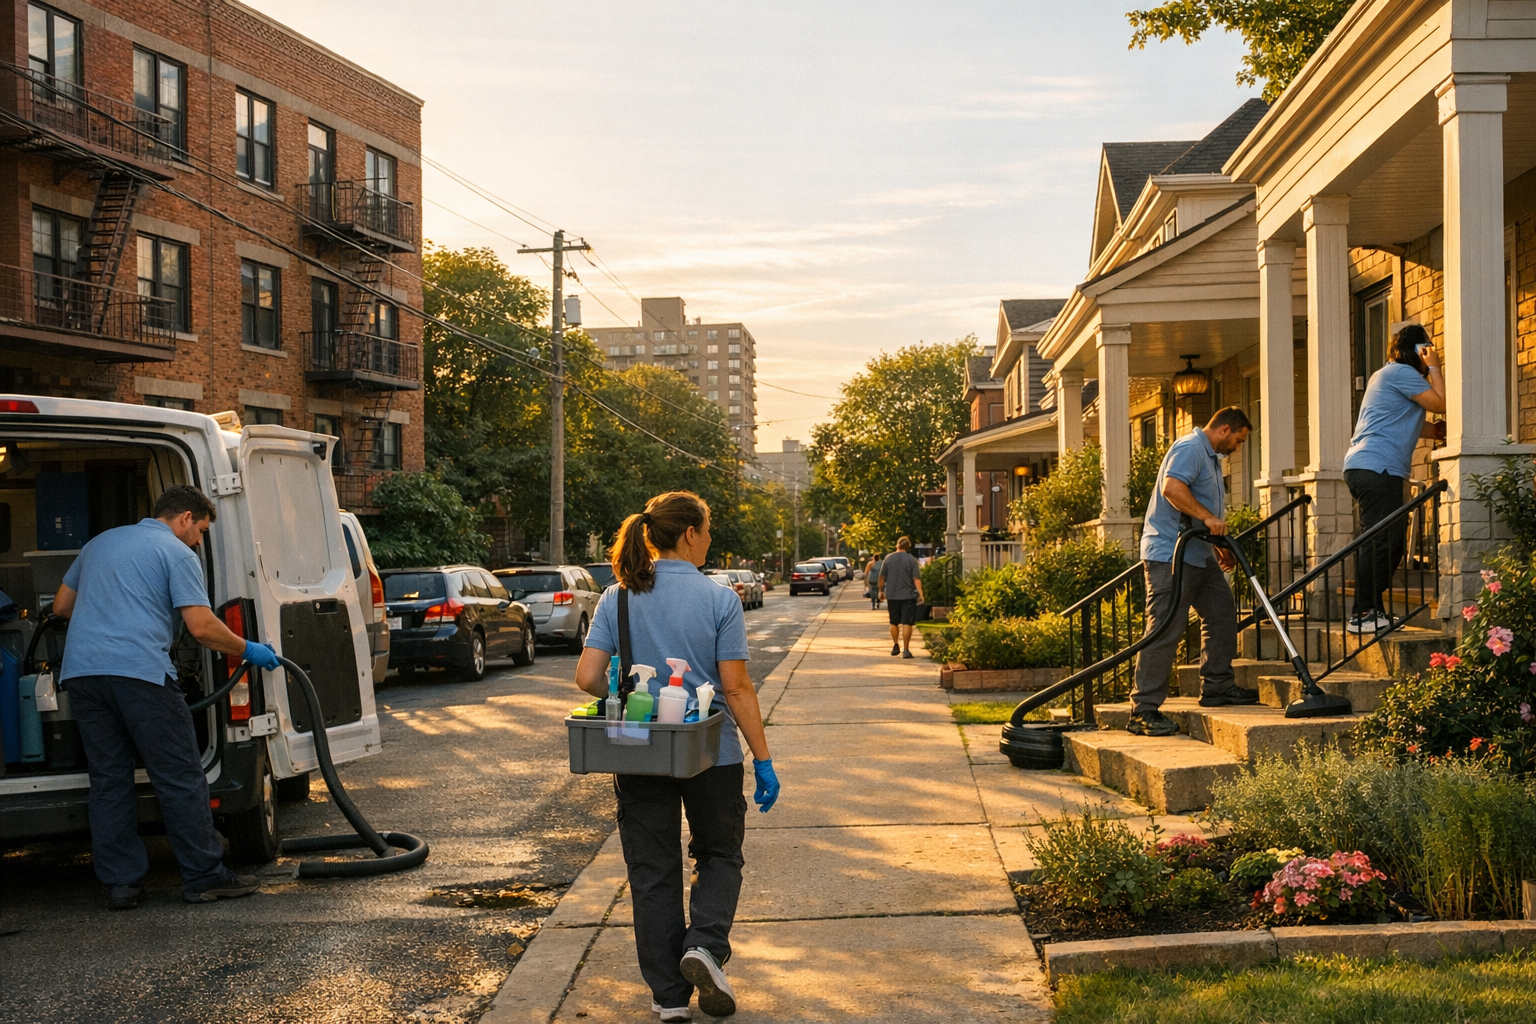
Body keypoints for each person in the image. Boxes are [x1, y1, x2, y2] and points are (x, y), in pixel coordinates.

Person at [575, 490, 779, 1022]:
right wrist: (763, 759)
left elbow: (587, 678)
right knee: (718, 854)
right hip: (712, 752)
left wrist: (620, 685)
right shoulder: (720, 599)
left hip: (640, 751)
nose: (710, 539)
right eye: (707, 529)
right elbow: (736, 689)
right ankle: (705, 947)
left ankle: (669, 1000)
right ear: (689, 534)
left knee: (652, 870)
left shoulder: (617, 596)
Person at [52, 485, 283, 909]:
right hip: (139, 673)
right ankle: (204, 876)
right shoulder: (178, 554)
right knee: (178, 776)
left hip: (83, 674)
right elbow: (201, 627)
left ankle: (121, 885)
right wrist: (248, 648)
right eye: (201, 530)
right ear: (185, 518)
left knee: (108, 779)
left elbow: (62, 608)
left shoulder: (99, 543)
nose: (200, 540)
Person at [1127, 407, 1256, 736]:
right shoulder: (1190, 449)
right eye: (1238, 441)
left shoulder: (1210, 458)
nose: (1238, 448)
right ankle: (1143, 710)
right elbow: (1173, 489)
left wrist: (1215, 544)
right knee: (1166, 627)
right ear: (1224, 430)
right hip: (1171, 555)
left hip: (1198, 555)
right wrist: (1210, 519)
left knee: (1222, 612)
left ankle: (1217, 686)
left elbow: (1196, 514)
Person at [1342, 323, 1447, 634]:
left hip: (1368, 466)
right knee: (1382, 542)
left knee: (1387, 542)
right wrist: (1435, 367)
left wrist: (1435, 431)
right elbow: (1440, 403)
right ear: (1417, 350)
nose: (1430, 353)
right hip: (1378, 467)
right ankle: (1363, 613)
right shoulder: (1402, 374)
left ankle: (1371, 609)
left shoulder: (1387, 376)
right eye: (1426, 348)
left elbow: (1403, 419)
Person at [878, 536, 924, 659]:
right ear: (908, 547)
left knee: (893, 621)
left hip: (892, 595)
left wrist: (881, 591)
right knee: (907, 623)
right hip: (908, 596)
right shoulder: (911, 560)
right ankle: (906, 649)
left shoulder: (888, 558)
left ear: (897, 545)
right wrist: (921, 593)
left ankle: (895, 644)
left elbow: (882, 576)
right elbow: (916, 579)